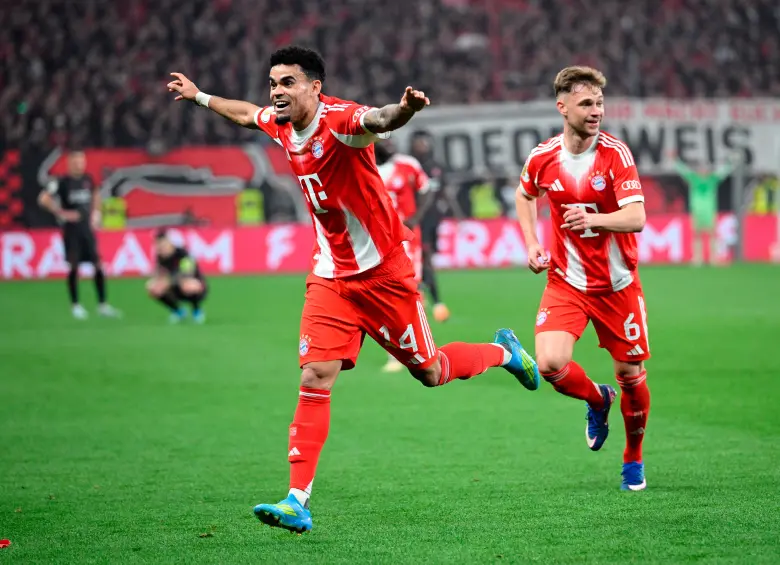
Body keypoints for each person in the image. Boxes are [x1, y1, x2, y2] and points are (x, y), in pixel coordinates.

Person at [167, 45, 540, 533]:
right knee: (315, 377)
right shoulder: (280, 123)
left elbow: (379, 119)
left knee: (430, 372)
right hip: (331, 277)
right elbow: (243, 115)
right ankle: (297, 500)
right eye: (274, 83)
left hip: (385, 275)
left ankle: (504, 352)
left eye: (288, 83)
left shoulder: (340, 120)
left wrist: (405, 110)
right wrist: (200, 97)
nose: (277, 92)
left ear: (314, 88)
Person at [515, 66, 651, 491]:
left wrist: (596, 217)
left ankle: (633, 458)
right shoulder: (543, 157)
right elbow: (524, 194)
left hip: (616, 285)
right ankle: (598, 398)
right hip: (566, 282)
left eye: (600, 103)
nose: (597, 112)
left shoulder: (615, 155)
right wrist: (532, 243)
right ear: (563, 107)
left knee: (631, 374)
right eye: (587, 104)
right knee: (551, 365)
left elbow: (638, 217)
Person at [37, 149, 121, 320]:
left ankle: (103, 305)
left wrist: (96, 214)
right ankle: (75, 305)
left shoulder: (87, 180)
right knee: (74, 266)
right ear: (69, 163)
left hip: (87, 230)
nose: (79, 164)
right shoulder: (61, 182)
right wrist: (61, 212)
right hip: (71, 230)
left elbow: (96, 195)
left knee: (97, 264)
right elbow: (43, 198)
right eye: (76, 161)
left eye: (81, 161)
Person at [374, 138, 433, 372]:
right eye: (384, 140)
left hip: (407, 240)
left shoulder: (408, 165)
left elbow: (427, 191)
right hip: (378, 242)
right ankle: (401, 350)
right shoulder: (364, 167)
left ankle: (416, 348)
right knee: (385, 295)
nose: (391, 144)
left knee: (408, 291)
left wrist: (416, 219)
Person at [410, 130, 451, 322]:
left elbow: (443, 192)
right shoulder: (411, 166)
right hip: (415, 221)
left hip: (432, 220)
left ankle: (427, 299)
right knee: (421, 258)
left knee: (427, 259)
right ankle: (431, 301)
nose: (422, 146)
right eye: (419, 142)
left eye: (425, 142)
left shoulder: (436, 167)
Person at [671, 152, 733, 266]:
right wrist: (675, 160)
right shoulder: (694, 178)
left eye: (705, 169)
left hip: (709, 209)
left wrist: (731, 162)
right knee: (697, 234)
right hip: (697, 209)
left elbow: (724, 171)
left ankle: (713, 258)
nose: (703, 171)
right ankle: (697, 258)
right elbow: (682, 170)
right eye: (701, 169)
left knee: (712, 233)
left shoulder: (712, 179)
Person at [146, 229, 207, 323]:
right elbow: (158, 274)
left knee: (188, 285)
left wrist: (168, 280)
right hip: (174, 288)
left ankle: (197, 310)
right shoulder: (160, 257)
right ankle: (178, 311)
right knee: (152, 287)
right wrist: (158, 280)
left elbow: (187, 273)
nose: (161, 247)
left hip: (193, 286)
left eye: (163, 244)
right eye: (158, 245)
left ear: (170, 244)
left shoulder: (183, 254)